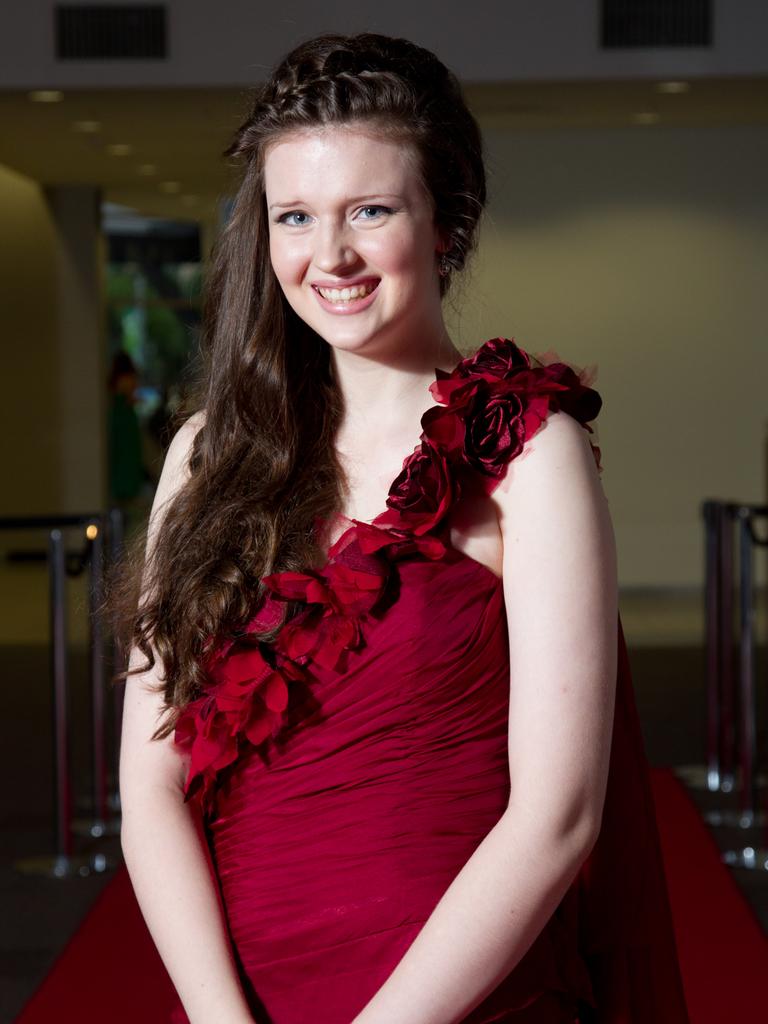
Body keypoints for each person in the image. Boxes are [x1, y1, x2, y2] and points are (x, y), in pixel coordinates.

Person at [115, 32, 691, 1024]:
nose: (328, 255)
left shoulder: (526, 452)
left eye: (369, 210)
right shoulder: (210, 457)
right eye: (295, 216)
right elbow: (150, 787)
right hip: (245, 998)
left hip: (464, 1001)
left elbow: (559, 817)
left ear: (446, 224)